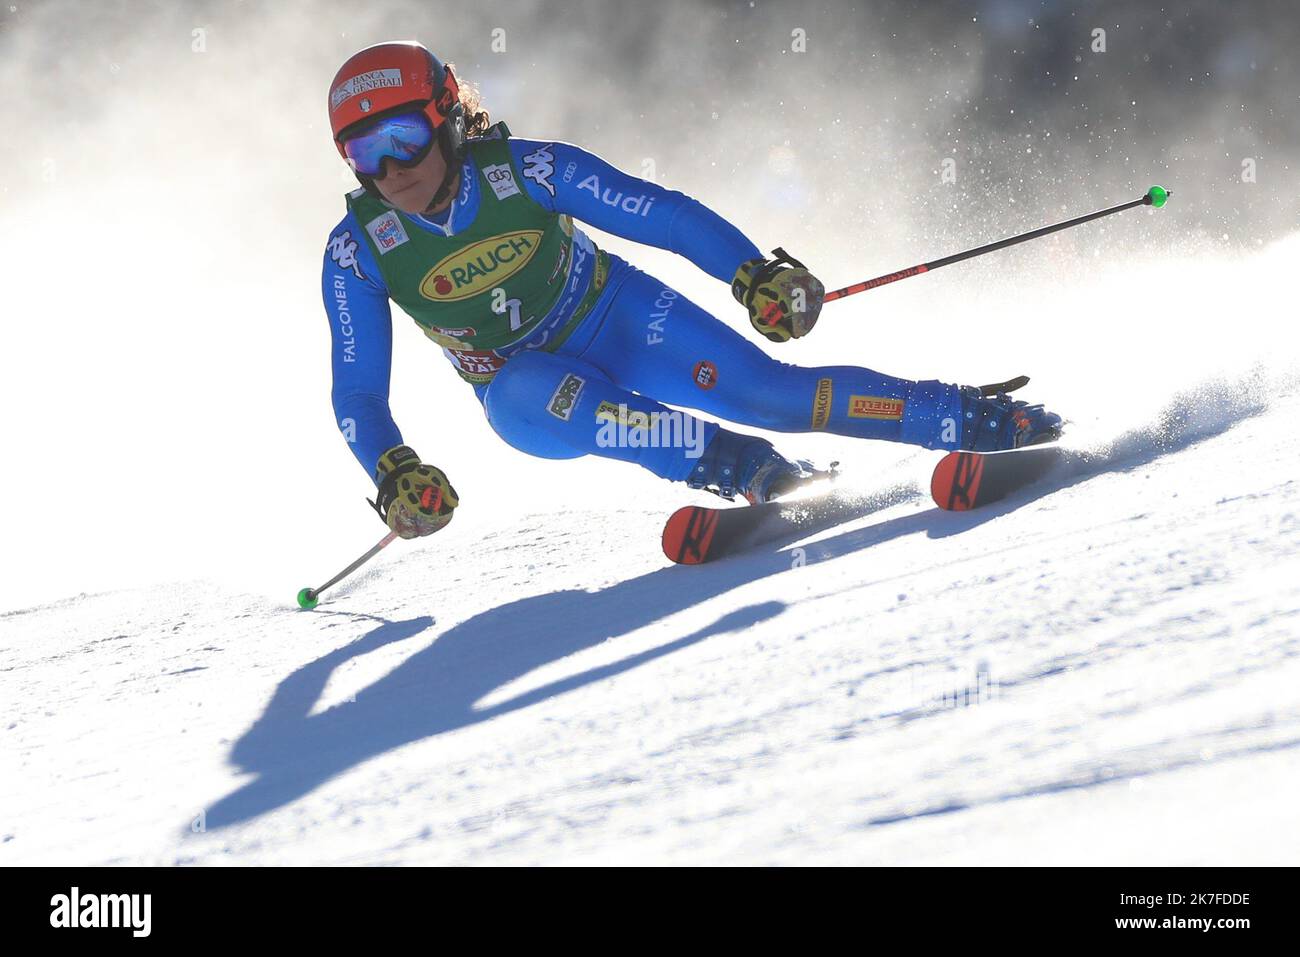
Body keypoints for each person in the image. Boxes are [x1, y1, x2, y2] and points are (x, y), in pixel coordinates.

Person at [322, 41, 1061, 539]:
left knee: (776, 394)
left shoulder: (529, 170)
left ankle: (972, 419)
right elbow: (358, 392)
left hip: (618, 317)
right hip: (534, 397)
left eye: (403, 139)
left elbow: (661, 215)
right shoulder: (358, 251)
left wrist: (753, 276)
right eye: (363, 153)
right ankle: (744, 468)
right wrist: (395, 471)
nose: (390, 170)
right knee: (518, 391)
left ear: (447, 118)